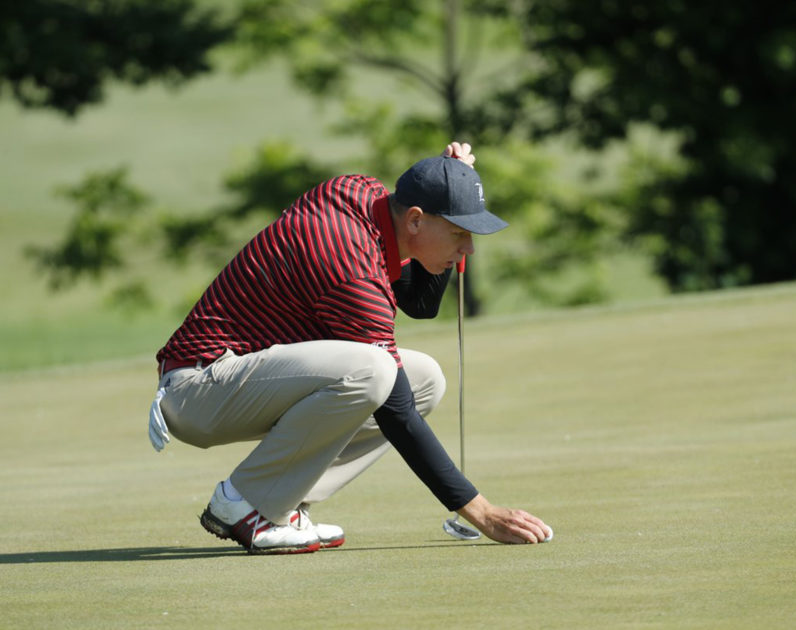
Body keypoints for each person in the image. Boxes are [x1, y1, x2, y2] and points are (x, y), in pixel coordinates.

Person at [148, 142, 553, 554]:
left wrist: (449, 182)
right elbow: (396, 412)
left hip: (242, 377)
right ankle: (243, 504)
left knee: (424, 378)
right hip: (197, 389)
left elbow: (419, 304)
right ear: (414, 220)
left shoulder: (363, 195)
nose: (468, 249)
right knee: (374, 371)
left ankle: (279, 505)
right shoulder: (351, 274)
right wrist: (480, 511)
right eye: (458, 233)